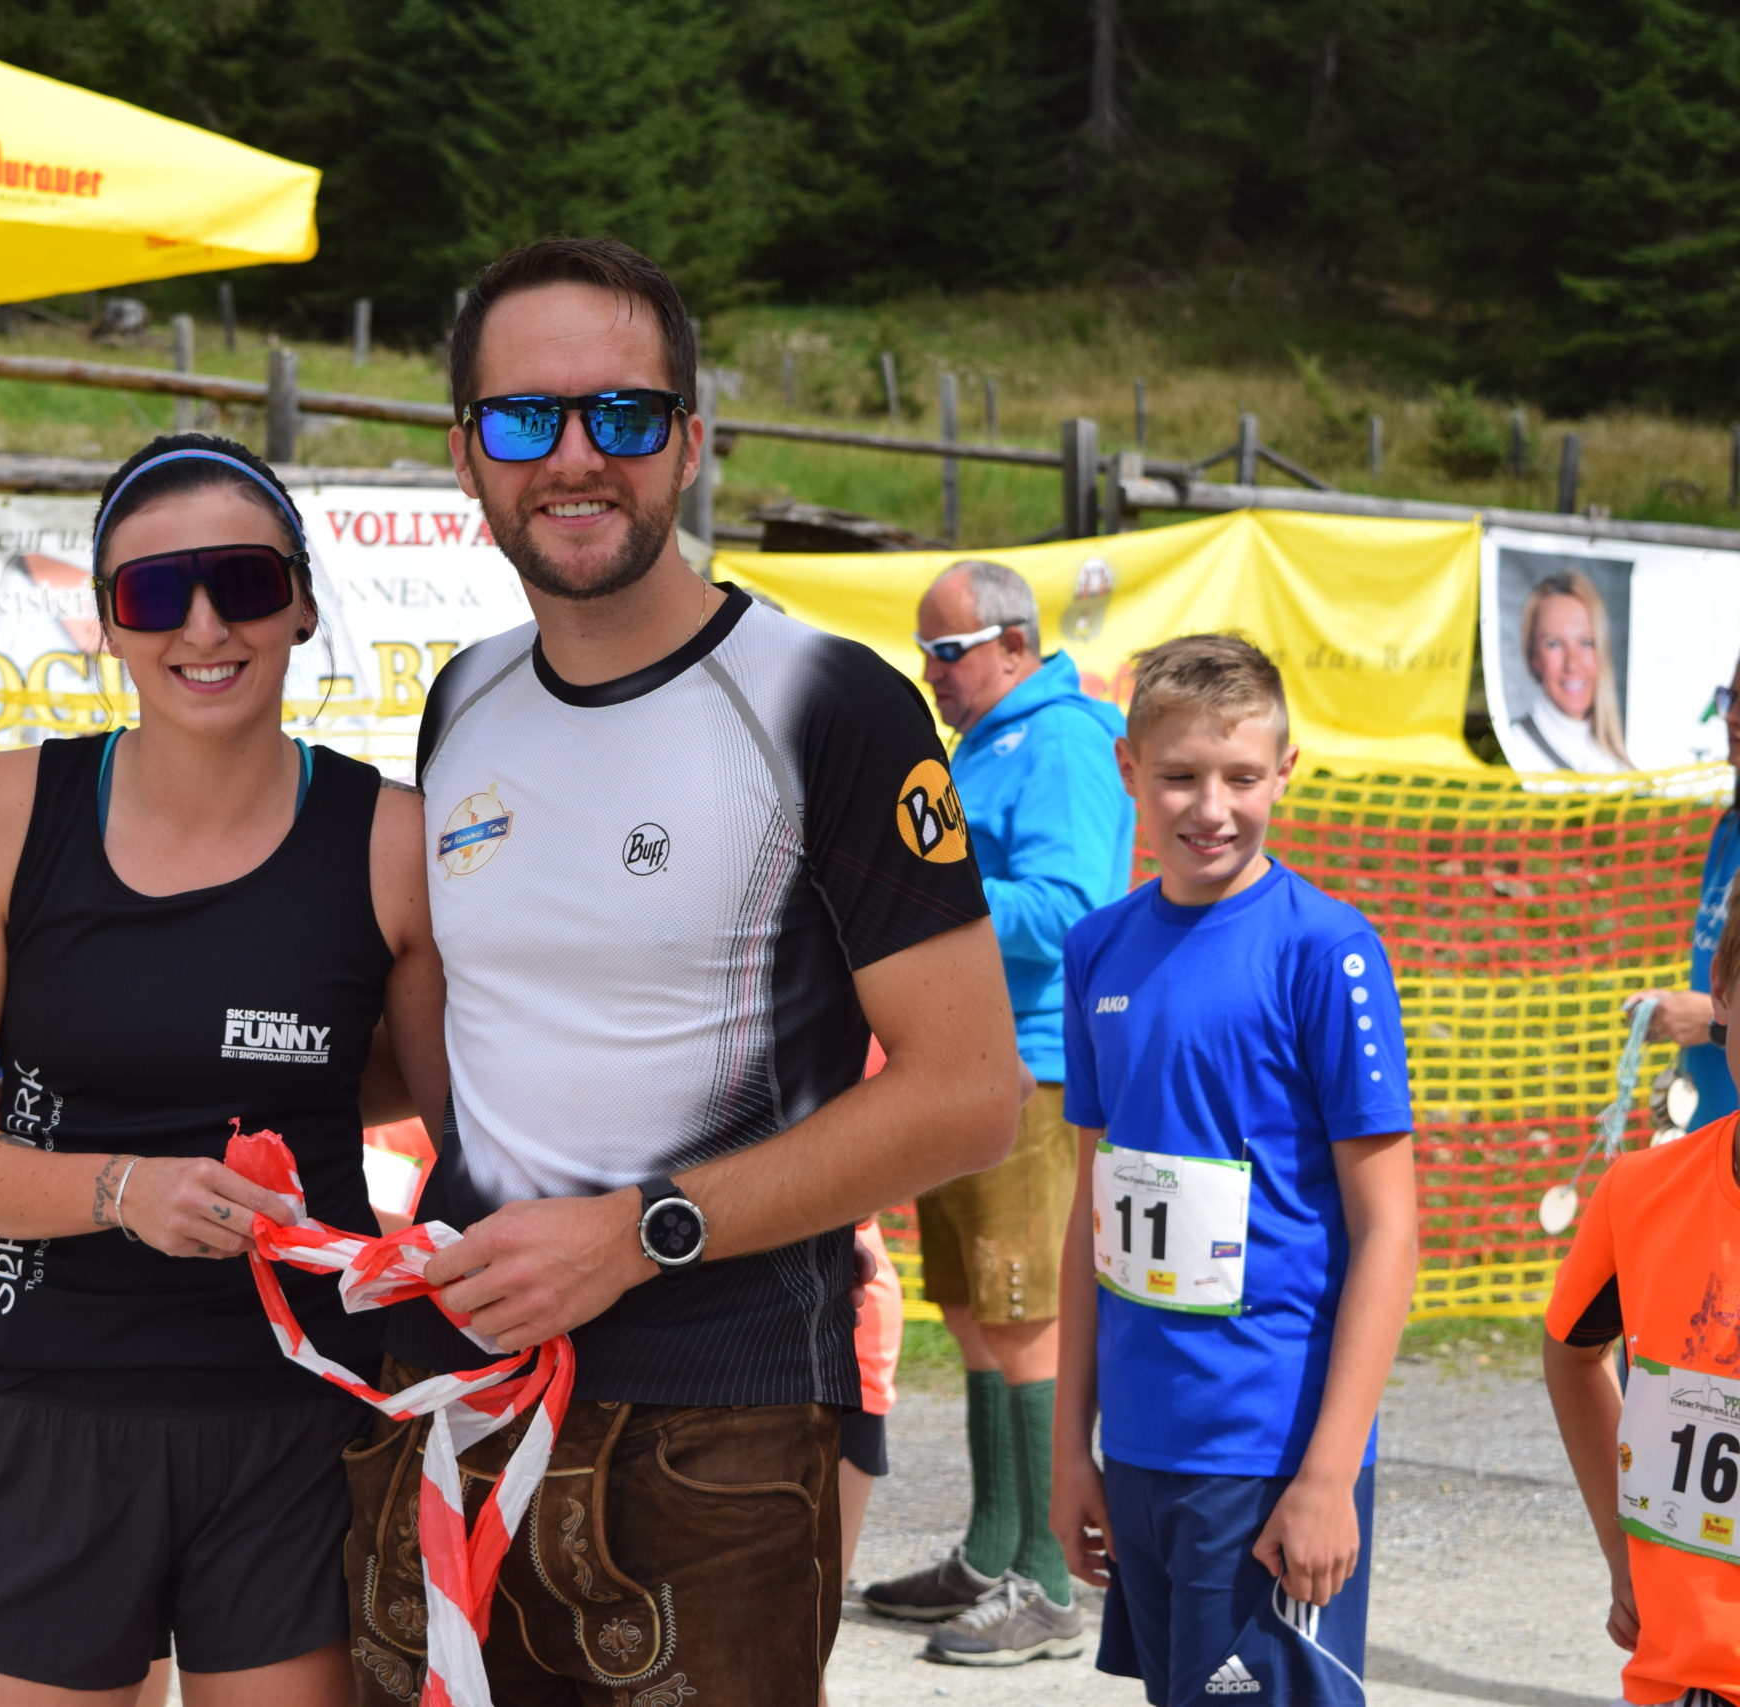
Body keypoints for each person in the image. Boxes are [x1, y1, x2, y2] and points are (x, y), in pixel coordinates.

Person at [343, 236, 1018, 1705]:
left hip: (721, 1415)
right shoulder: (466, 696)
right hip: (461, 1386)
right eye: (525, 418)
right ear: (465, 455)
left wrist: (639, 1232)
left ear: (691, 443)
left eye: (624, 414)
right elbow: (479, 1031)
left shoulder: (828, 700)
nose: (575, 456)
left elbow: (974, 1096)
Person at [0, 433, 444, 1707]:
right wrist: (122, 1189)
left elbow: (446, 1106)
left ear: (301, 604)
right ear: (107, 622)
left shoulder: (392, 840)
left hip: (304, 1417)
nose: (203, 625)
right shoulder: (3, 810)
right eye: (153, 592)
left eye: (243, 581)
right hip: (57, 1402)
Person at [1051, 635, 1418, 1705]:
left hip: (1268, 1451)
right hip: (1142, 1446)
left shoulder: (1327, 951)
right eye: (1179, 776)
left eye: (1241, 778)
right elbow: (1091, 1214)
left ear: (1284, 772)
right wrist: (1071, 1449)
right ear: (1129, 770)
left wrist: (1327, 1473)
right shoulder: (1097, 948)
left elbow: (1388, 1227)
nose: (1211, 808)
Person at [861, 558, 1131, 1664]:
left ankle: (1049, 1582)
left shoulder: (1057, 739)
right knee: (977, 1311)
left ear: (1014, 645)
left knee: (1023, 1317)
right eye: (925, 651)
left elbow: (1073, 906)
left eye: (947, 650)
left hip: (1035, 1066)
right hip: (977, 1059)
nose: (931, 671)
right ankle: (993, 1551)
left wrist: (920, 890)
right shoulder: (992, 739)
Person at [1544, 913, 1740, 1707]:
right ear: (1721, 992)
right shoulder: (1639, 1193)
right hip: (1681, 1678)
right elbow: (1571, 1351)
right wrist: (1622, 1541)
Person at [1628, 647, 1740, 1131]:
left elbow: (1716, 1014)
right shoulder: (1729, 830)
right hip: (1711, 1129)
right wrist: (1675, 1010)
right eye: (1731, 698)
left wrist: (1713, 1024)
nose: (1731, 716)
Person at [1508, 571, 1633, 772]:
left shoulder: (1627, 758)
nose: (1572, 664)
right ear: (1533, 657)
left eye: (1586, 642)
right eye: (1553, 644)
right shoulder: (1514, 746)